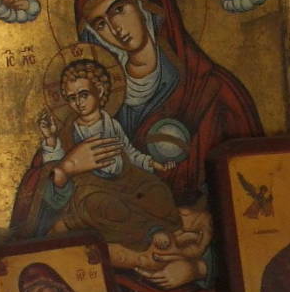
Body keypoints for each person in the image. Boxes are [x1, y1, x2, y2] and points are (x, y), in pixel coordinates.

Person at [9, 0, 264, 292]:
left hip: (194, 270)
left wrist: (202, 264)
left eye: (120, 8)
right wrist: (65, 171)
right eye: (99, 22)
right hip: (119, 273)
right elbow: (34, 216)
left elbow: (259, 202)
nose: (115, 28)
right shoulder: (92, 95)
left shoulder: (215, 93)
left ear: (151, 5)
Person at [32, 58, 181, 253]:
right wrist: (51, 138)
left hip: (126, 181)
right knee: (105, 208)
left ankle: (157, 225)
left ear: (99, 91)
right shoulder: (70, 130)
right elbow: (56, 166)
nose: (78, 102)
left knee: (157, 191)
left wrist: (153, 164)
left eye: (83, 94)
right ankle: (149, 232)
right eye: (72, 97)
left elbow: (129, 152)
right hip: (90, 188)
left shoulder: (111, 124)